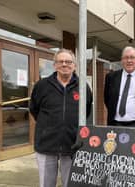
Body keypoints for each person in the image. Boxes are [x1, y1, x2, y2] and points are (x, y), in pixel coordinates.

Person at [30, 49, 92, 187]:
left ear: (74, 65)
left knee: (70, 183)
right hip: (46, 144)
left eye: (68, 61)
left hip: (72, 144)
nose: (64, 64)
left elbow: (86, 112)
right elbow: (34, 109)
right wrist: (47, 127)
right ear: (55, 65)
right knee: (46, 184)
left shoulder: (83, 87)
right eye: (60, 61)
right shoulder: (42, 86)